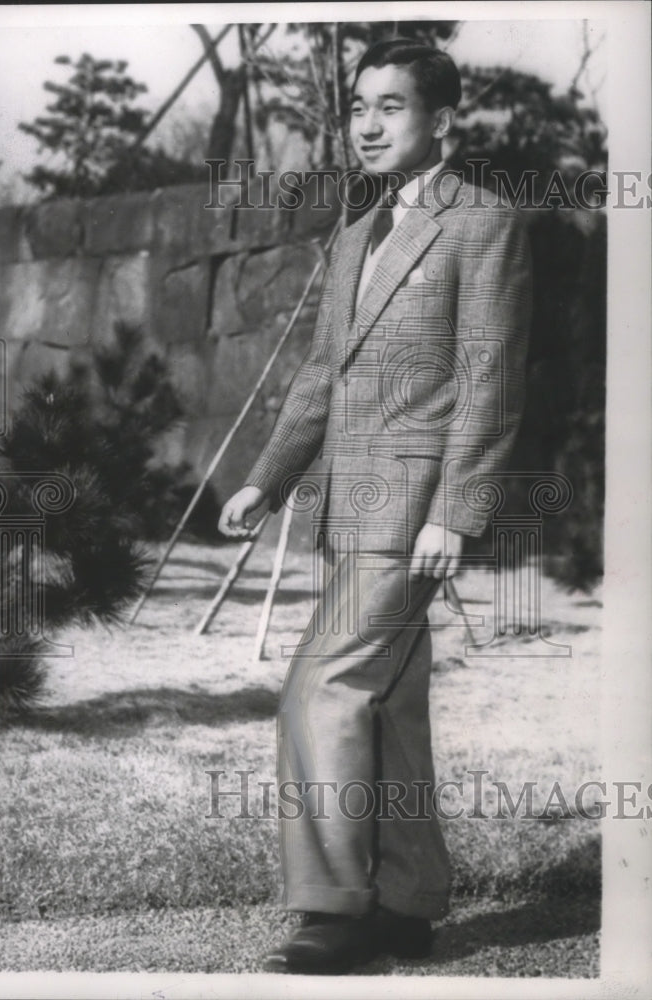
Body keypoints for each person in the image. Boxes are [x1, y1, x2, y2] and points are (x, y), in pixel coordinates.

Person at [219, 39, 532, 974]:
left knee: (324, 685)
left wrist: (456, 509)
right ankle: (407, 903)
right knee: (389, 704)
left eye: (391, 106)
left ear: (442, 121)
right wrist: (265, 476)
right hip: (343, 508)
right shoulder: (355, 233)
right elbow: (322, 373)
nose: (366, 123)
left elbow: (490, 378)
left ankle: (334, 908)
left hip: (412, 513)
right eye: (359, 105)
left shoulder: (485, 223)